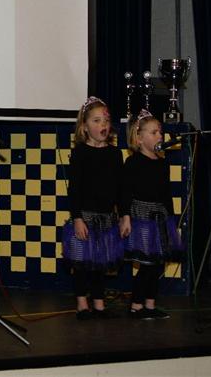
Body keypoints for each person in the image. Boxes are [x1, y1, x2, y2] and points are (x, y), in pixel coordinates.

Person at [62, 96, 125, 320]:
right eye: (96, 121)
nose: (103, 125)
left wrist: (124, 215)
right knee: (81, 263)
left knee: (100, 262)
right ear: (85, 127)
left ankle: (99, 303)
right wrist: (77, 218)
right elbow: (74, 190)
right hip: (85, 217)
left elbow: (121, 189)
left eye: (106, 120)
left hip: (106, 218)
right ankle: (82, 303)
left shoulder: (115, 154)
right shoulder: (80, 153)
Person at [121, 110, 184, 320]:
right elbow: (125, 193)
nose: (160, 136)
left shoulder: (162, 162)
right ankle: (136, 306)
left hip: (160, 217)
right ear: (139, 138)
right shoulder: (133, 163)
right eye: (154, 132)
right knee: (147, 264)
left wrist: (172, 220)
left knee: (158, 263)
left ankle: (150, 304)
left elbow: (166, 194)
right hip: (142, 218)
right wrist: (125, 217)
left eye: (160, 132)